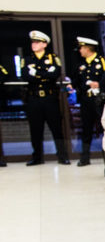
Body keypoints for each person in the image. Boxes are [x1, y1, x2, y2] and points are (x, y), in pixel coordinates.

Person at [21, 30, 70, 165]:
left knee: (56, 129)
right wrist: (44, 73)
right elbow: (25, 76)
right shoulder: (27, 59)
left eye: (37, 42)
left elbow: (54, 75)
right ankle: (37, 157)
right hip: (34, 99)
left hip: (50, 99)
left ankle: (62, 156)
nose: (34, 45)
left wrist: (35, 73)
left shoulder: (53, 58)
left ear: (44, 44)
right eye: (33, 42)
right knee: (36, 130)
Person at [73, 37, 105, 166]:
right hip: (86, 101)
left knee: (103, 128)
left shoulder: (103, 62)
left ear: (88, 48)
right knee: (86, 129)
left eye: (82, 48)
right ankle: (85, 157)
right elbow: (77, 82)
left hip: (100, 101)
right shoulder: (81, 64)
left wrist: (99, 84)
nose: (80, 50)